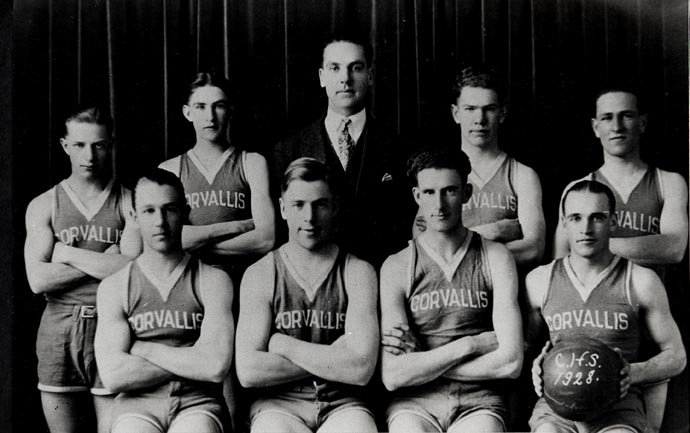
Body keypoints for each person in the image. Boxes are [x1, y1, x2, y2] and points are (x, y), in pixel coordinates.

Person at [552, 87, 689, 431]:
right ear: (595, 126)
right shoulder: (580, 188)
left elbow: (674, 248)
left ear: (642, 123)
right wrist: (643, 244)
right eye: (608, 118)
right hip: (601, 330)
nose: (617, 126)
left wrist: (599, 247)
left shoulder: (668, 182)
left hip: (657, 333)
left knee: (655, 429)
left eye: (627, 115)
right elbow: (559, 263)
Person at [380, 147, 523, 433]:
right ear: (417, 196)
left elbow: (511, 362)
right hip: (414, 403)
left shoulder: (495, 257)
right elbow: (394, 375)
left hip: (480, 401)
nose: (440, 204)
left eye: (450, 191)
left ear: (467, 193)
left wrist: (423, 365)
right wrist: (469, 345)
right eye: (430, 193)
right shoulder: (397, 266)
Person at [528, 180, 686, 433]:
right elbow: (523, 347)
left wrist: (632, 372)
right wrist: (535, 366)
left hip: (618, 408)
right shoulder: (539, 281)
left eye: (597, 218)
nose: (586, 228)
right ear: (564, 222)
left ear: (613, 222)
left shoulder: (641, 281)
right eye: (576, 218)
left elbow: (677, 356)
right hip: (557, 409)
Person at [236, 157, 379, 433]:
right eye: (298, 205)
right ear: (282, 208)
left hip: (344, 404)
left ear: (334, 206)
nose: (309, 218)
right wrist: (334, 357)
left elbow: (361, 369)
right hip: (278, 405)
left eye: (320, 205)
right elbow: (249, 371)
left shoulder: (358, 272)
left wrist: (284, 346)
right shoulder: (261, 273)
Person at [24, 105, 140, 433]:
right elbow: (38, 279)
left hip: (114, 325)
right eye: (79, 145)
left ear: (111, 144)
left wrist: (66, 253)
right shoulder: (45, 204)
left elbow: (132, 271)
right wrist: (107, 259)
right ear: (65, 145)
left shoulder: (129, 201)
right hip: (58, 331)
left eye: (98, 145)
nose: (89, 155)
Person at [95, 169, 234, 433]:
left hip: (198, 403)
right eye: (149, 211)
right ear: (134, 217)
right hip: (136, 406)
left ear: (185, 212)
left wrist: (144, 350)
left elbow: (215, 366)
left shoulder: (214, 280)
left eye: (169, 209)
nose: (160, 221)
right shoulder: (114, 287)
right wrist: (192, 358)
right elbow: (114, 376)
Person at [272, 33, 410, 268]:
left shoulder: (399, 147)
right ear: (322, 77)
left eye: (355, 68)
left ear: (371, 76)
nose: (345, 79)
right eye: (334, 68)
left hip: (379, 276)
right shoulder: (289, 149)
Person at [414, 66, 545, 269]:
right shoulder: (437, 174)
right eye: (470, 109)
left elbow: (533, 250)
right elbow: (426, 250)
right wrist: (493, 231)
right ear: (456, 113)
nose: (480, 120)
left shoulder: (522, 175)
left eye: (489, 109)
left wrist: (459, 251)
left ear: (502, 113)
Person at [159, 71, 275, 286]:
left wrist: (195, 242)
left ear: (230, 110)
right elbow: (167, 241)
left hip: (245, 283)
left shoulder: (251, 162)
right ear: (187, 112)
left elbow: (266, 239)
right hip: (189, 284)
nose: (210, 117)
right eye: (200, 107)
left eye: (218, 106)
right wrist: (237, 227)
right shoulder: (170, 169)